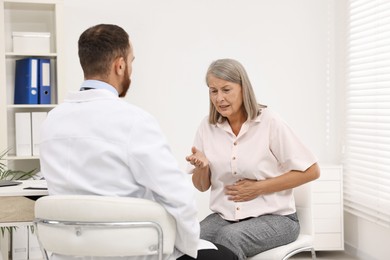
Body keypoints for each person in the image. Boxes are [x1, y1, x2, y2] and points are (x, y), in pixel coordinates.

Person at [39, 24, 237, 260]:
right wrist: (189, 247)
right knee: (225, 255)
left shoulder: (52, 121)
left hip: (69, 253)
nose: (131, 68)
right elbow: (178, 197)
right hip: (129, 252)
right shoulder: (133, 121)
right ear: (120, 65)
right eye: (131, 61)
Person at [185, 58, 320, 260]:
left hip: (277, 219)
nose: (219, 98)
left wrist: (259, 187)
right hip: (226, 217)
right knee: (187, 239)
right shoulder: (207, 127)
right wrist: (202, 168)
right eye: (214, 91)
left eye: (226, 89)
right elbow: (201, 186)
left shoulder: (269, 122)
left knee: (228, 239)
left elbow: (312, 171)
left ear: (243, 88)